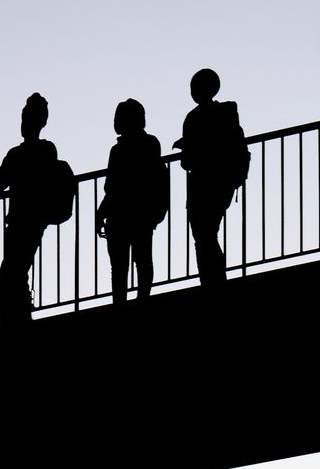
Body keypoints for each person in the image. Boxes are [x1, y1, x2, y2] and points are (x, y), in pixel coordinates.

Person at [0, 93, 58, 329]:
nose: (24, 123)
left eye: (27, 118)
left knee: (9, 277)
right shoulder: (46, 150)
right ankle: (20, 319)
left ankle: (14, 323)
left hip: (22, 221)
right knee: (15, 274)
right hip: (32, 221)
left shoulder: (18, 154)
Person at [174, 68, 248, 288]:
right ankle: (215, 279)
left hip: (203, 184)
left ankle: (211, 281)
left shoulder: (193, 118)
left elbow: (187, 161)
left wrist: (187, 148)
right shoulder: (227, 114)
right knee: (207, 234)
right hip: (221, 182)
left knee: (203, 236)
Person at [97, 98, 166, 306]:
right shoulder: (150, 144)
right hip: (140, 212)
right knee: (139, 259)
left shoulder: (119, 150)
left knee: (123, 264)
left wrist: (102, 212)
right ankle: (140, 298)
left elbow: (112, 187)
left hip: (125, 213)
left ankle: (123, 303)